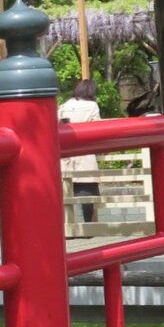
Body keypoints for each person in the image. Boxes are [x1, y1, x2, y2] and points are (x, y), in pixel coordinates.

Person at [59, 78, 103, 226]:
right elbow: (98, 128)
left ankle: (69, 227)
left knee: (66, 190)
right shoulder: (92, 106)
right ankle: (88, 226)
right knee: (88, 189)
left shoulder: (65, 105)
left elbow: (56, 124)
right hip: (85, 150)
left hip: (66, 153)